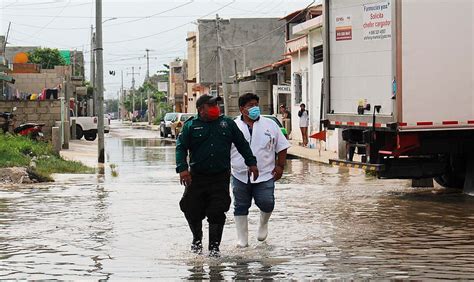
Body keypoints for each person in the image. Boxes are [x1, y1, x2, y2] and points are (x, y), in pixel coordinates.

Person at [176, 94, 259, 257]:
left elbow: (242, 144)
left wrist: (252, 163)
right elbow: (181, 147)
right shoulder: (191, 126)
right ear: (201, 109)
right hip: (196, 177)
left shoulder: (227, 124)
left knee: (217, 211)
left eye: (217, 105)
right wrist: (182, 169)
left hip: (220, 178)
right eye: (211, 105)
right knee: (190, 208)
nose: (216, 108)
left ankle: (214, 248)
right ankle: (197, 239)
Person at [231, 93, 290, 247]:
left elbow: (282, 146)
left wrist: (280, 166)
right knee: (241, 205)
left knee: (267, 202)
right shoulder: (233, 126)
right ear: (242, 109)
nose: (255, 108)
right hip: (239, 173)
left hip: (266, 173)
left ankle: (263, 224)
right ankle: (242, 239)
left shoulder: (270, 125)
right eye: (250, 105)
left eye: (256, 104)